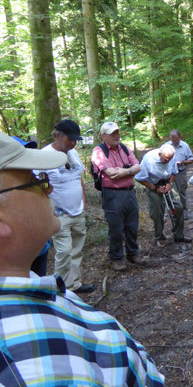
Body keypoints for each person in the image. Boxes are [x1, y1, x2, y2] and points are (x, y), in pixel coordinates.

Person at [0, 131, 164, 386]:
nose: (49, 187)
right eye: (35, 180)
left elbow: (134, 167)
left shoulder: (34, 287)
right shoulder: (32, 370)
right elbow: (114, 173)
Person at [37, 120, 95, 294]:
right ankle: (62, 290)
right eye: (71, 139)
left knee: (76, 250)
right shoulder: (44, 155)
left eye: (76, 139)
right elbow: (39, 186)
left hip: (78, 211)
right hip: (59, 214)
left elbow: (79, 178)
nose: (74, 143)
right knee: (64, 252)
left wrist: (83, 201)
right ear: (58, 136)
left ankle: (74, 284)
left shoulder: (73, 153)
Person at [91, 122, 143, 271]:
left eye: (117, 132)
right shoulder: (98, 151)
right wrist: (129, 170)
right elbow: (111, 173)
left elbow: (138, 166)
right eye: (112, 133)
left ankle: (133, 253)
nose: (116, 136)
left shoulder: (125, 148)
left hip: (129, 192)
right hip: (112, 194)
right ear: (103, 136)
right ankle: (116, 257)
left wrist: (124, 172)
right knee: (116, 228)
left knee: (132, 225)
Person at [135, 144, 192, 250]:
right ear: (159, 154)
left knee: (178, 207)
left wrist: (170, 183)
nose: (168, 161)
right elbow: (139, 177)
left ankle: (179, 235)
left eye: (170, 159)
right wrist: (154, 188)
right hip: (153, 184)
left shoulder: (171, 157)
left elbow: (174, 172)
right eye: (165, 159)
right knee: (157, 211)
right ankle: (159, 237)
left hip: (167, 182)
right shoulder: (148, 159)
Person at [12, 136, 50, 276]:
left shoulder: (33, 174)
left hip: (40, 246)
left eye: (26, 151)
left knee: (38, 287)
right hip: (17, 253)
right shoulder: (6, 184)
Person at [166, 129, 193, 219]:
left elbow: (191, 159)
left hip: (180, 172)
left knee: (181, 192)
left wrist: (182, 162)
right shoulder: (166, 146)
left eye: (176, 140)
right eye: (172, 140)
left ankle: (184, 211)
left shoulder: (185, 146)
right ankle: (173, 211)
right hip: (168, 174)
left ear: (179, 137)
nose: (174, 142)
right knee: (169, 192)